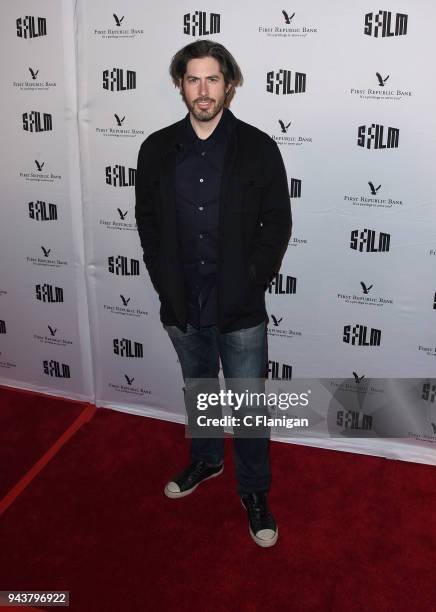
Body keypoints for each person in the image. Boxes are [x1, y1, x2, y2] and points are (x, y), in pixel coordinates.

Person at [135, 40, 292, 547]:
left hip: (240, 307)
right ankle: (205, 462)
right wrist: (164, 283)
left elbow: (277, 224)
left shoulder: (259, 147)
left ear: (230, 84)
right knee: (199, 391)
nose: (203, 91)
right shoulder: (156, 148)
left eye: (213, 79)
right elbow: (149, 223)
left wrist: (250, 281)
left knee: (247, 405)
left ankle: (254, 491)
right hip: (183, 304)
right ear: (181, 85)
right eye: (193, 80)